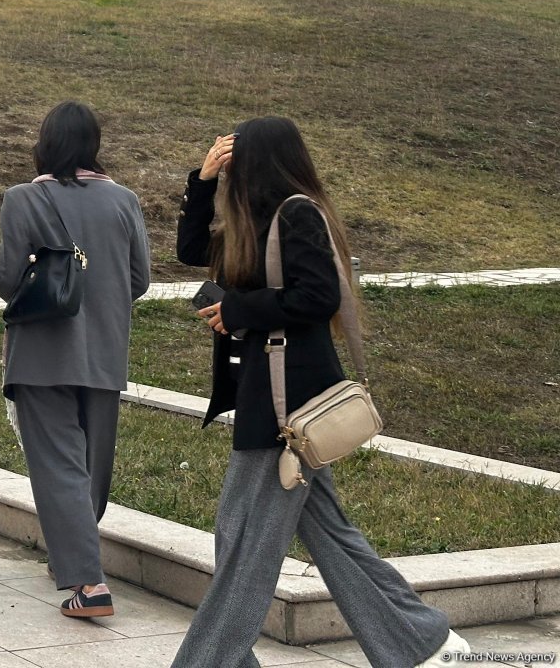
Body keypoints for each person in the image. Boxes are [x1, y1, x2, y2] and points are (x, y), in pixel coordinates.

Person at [169, 117, 467, 668]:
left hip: (289, 402)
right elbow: (191, 251)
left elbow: (317, 296)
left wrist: (238, 309)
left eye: (235, 161)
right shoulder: (252, 223)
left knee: (242, 544)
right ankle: (424, 643)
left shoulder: (297, 214)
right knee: (328, 537)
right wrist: (203, 181)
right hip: (271, 393)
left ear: (260, 162)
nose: (231, 169)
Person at [0, 101, 150, 620]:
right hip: (104, 349)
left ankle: (88, 581)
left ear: (45, 143)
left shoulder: (22, 200)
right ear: (94, 144)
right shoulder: (125, 200)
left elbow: (6, 281)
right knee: (91, 465)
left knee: (59, 465)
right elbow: (140, 280)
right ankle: (75, 550)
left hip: (41, 351)